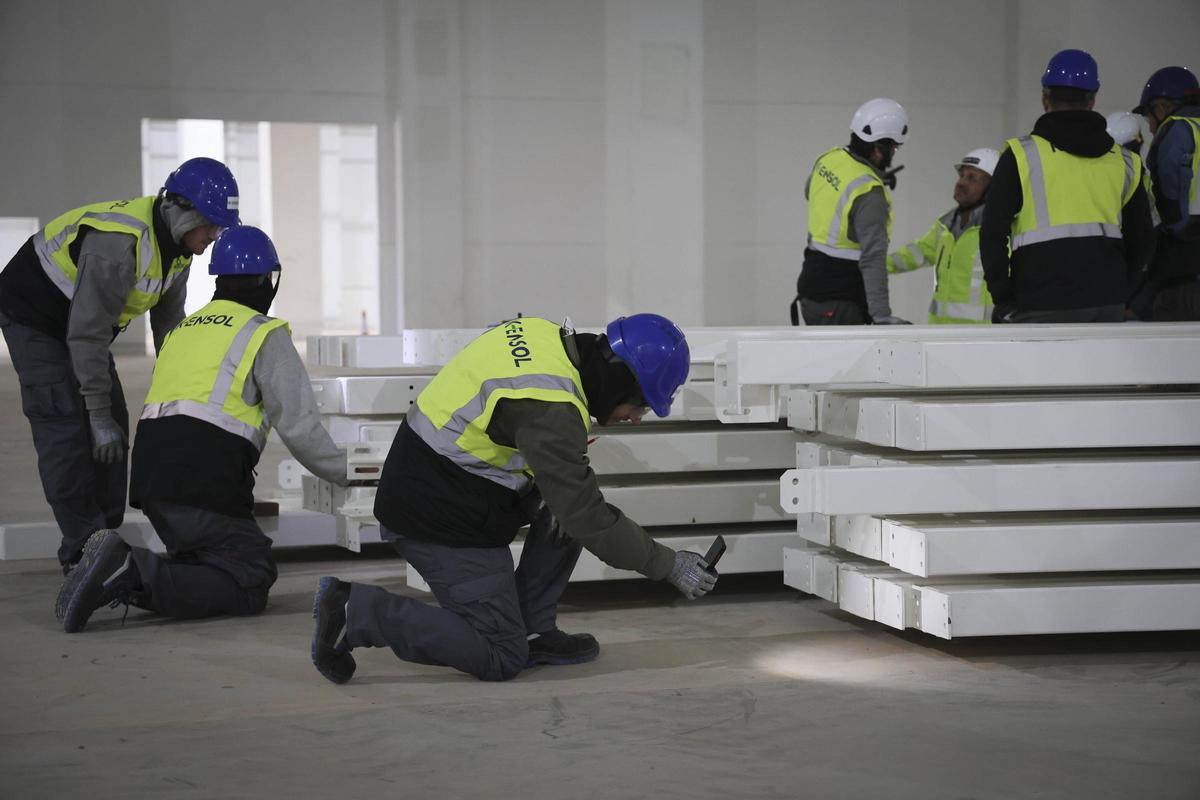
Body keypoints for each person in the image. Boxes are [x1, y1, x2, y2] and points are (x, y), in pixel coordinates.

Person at [311, 313, 718, 683]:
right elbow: (588, 518)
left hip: (452, 484)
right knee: (502, 654)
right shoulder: (553, 409)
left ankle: (533, 628)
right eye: (641, 404)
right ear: (620, 380)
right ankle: (355, 612)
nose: (635, 418)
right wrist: (669, 565)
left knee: (561, 507)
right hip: (435, 516)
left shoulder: (546, 338)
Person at [56, 226, 349, 633]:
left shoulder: (184, 330)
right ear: (268, 279)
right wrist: (357, 473)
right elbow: (300, 430)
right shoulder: (262, 332)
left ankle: (123, 571)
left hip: (151, 479)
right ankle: (131, 570)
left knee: (207, 563)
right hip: (201, 480)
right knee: (249, 577)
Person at [0, 157, 239, 575]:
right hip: (34, 317)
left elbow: (169, 327)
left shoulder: (180, 249)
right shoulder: (119, 246)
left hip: (84, 324)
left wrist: (183, 394)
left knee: (114, 426)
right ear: (178, 209)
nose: (214, 237)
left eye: (220, 227)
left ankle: (104, 542)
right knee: (68, 425)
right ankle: (82, 555)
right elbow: (87, 336)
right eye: (209, 225)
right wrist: (95, 414)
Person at [980, 49, 1154, 323]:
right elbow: (1142, 240)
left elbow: (991, 234)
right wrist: (1121, 291)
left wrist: (1004, 300)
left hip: (1037, 304)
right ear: (1093, 100)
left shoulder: (1021, 156)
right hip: (1106, 305)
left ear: (1044, 98)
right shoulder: (1126, 163)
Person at [792, 98, 911, 325]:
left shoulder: (830, 159)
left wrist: (875, 176)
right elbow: (873, 259)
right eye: (894, 147)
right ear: (878, 149)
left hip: (810, 291)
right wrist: (882, 317)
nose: (893, 153)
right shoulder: (870, 194)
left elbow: (811, 191)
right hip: (840, 301)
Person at [887, 148, 999, 323]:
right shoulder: (944, 226)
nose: (961, 182)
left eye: (972, 178)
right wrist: (873, 267)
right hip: (939, 335)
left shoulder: (999, 230)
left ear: (992, 187)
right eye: (962, 175)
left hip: (979, 339)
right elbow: (914, 254)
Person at [1134, 66, 1200, 320]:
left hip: (1184, 255)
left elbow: (1168, 186)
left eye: (1149, 117)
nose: (1151, 127)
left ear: (1161, 108)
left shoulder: (1176, 128)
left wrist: (1170, 221)